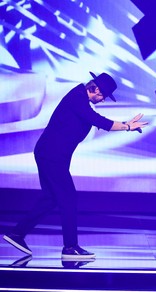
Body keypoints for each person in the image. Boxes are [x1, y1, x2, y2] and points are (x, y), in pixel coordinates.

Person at [3, 72, 147, 259]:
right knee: (68, 198)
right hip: (51, 155)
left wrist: (125, 124)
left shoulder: (79, 98)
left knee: (51, 198)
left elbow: (95, 121)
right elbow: (100, 121)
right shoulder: (77, 98)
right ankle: (70, 247)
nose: (102, 100)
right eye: (103, 96)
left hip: (51, 155)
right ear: (94, 88)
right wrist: (127, 126)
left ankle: (17, 233)